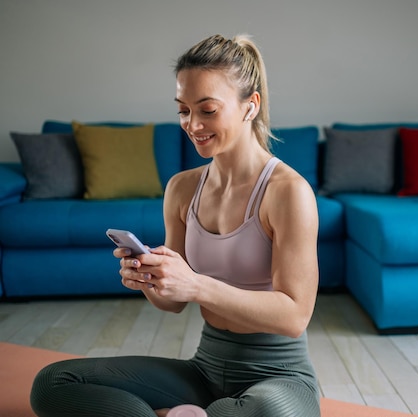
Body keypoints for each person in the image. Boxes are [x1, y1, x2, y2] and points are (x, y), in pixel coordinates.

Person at [30, 34, 321, 417]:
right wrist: (150, 278)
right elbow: (174, 302)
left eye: (207, 110)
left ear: (250, 106)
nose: (192, 124)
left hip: (278, 377)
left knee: (270, 413)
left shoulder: (288, 192)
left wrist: (196, 283)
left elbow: (294, 315)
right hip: (204, 369)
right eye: (183, 110)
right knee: (53, 383)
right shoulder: (183, 188)